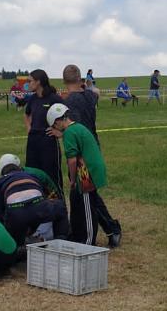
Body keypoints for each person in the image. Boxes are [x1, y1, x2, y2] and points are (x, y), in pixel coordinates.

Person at [59, 64, 120, 245]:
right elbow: (95, 92)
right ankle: (94, 229)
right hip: (93, 147)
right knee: (87, 193)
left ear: (64, 80)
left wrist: (60, 132)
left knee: (87, 193)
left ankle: (111, 228)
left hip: (81, 154)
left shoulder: (69, 103)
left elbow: (73, 129)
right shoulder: (90, 96)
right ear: (80, 78)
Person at [47, 103, 110, 246]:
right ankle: (77, 236)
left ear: (57, 121)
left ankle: (89, 241)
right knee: (83, 202)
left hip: (87, 174)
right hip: (93, 168)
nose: (55, 128)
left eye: (54, 126)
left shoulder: (69, 133)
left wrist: (72, 179)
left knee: (88, 209)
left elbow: (72, 160)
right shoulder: (77, 127)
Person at [0, 153, 69, 246]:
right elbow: (43, 195)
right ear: (19, 168)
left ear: (1, 173)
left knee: (13, 223)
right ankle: (60, 241)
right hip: (38, 208)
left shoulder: (0, 182)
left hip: (16, 215)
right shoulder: (31, 176)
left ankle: (18, 246)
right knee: (60, 207)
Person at [23, 69, 64, 197]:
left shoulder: (53, 98)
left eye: (30, 81)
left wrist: (60, 132)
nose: (28, 84)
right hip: (33, 142)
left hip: (48, 141)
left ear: (38, 82)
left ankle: (58, 203)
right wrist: (29, 128)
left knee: (51, 176)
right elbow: (26, 114)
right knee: (32, 174)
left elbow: (68, 116)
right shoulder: (32, 99)